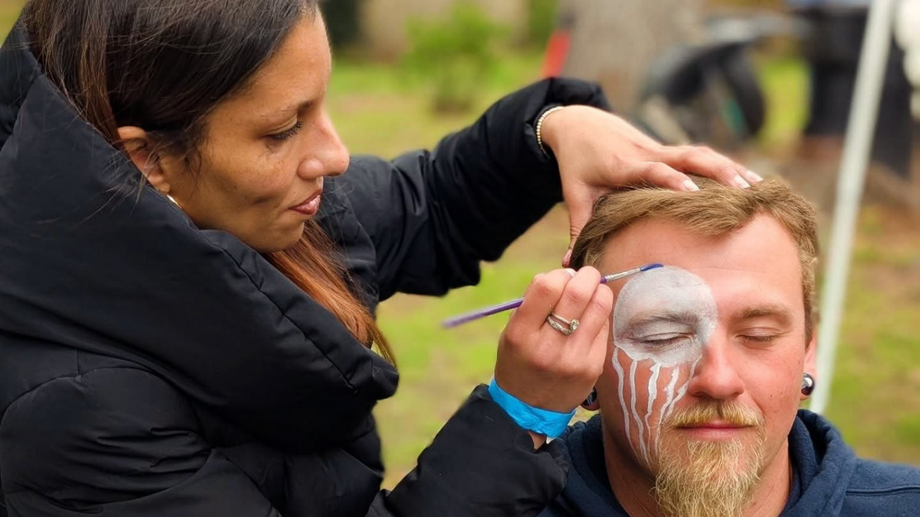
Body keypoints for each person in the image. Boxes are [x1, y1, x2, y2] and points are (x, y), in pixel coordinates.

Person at [0, 1, 758, 516]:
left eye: (323, 105)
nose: (331, 155)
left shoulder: (243, 206)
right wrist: (517, 415)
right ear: (149, 160)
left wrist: (552, 127)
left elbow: (427, 201)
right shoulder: (76, 416)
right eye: (281, 130)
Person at [537, 177, 920, 517]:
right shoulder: (498, 501)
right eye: (662, 336)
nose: (718, 380)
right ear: (585, 355)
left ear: (808, 350)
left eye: (758, 335)